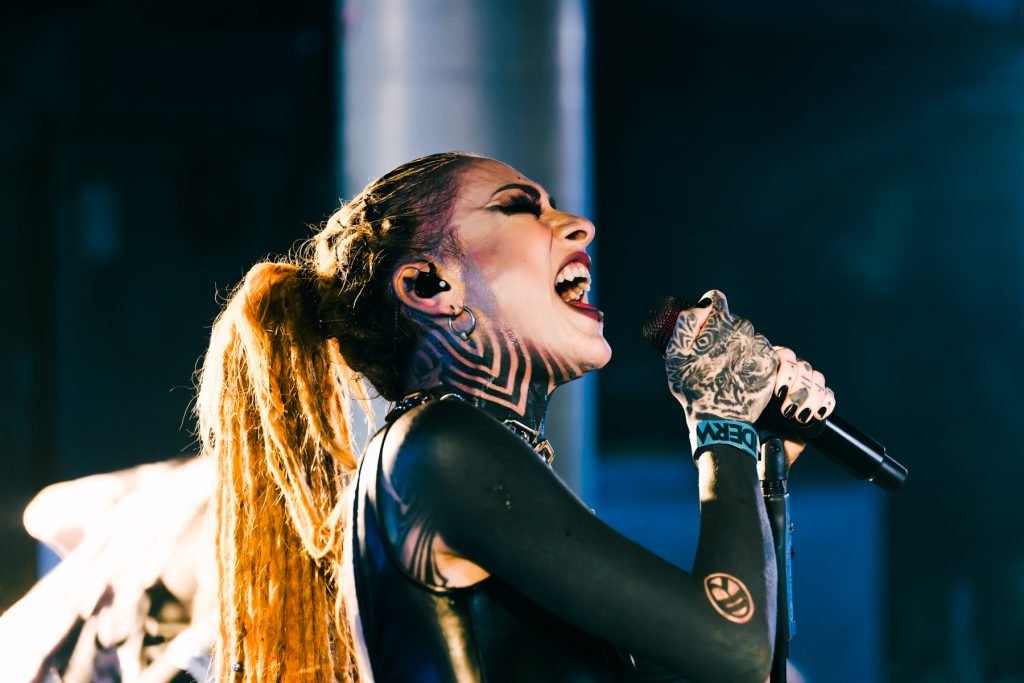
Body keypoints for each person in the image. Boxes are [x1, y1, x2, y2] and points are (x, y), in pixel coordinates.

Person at [195, 151, 835, 682]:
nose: (579, 225)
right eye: (520, 207)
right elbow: (733, 648)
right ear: (428, 284)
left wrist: (756, 458)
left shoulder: (457, 455)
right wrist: (720, 421)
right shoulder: (440, 449)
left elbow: (745, 659)